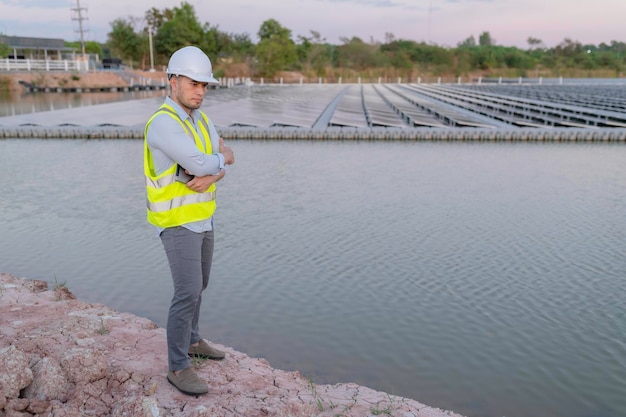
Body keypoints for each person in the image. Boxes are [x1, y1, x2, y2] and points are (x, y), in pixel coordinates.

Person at [143, 45, 234, 396]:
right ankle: (178, 367)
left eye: (205, 84)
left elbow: (222, 157)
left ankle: (193, 340)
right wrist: (216, 161)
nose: (200, 90)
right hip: (176, 221)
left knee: (201, 285)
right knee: (187, 292)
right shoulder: (164, 124)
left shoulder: (201, 119)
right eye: (193, 82)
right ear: (173, 80)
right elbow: (204, 162)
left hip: (203, 216)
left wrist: (213, 171)